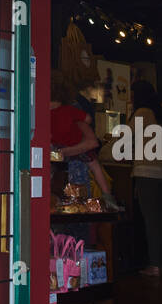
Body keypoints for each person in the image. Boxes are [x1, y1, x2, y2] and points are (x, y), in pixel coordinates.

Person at [49, 69, 121, 210]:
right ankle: (108, 196)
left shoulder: (42, 110)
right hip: (75, 157)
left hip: (59, 156)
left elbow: (90, 141)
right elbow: (88, 126)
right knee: (93, 165)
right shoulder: (70, 109)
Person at [128, 80, 162, 277]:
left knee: (151, 220)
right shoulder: (160, 114)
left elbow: (125, 136)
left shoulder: (142, 113)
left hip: (147, 172)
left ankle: (154, 264)